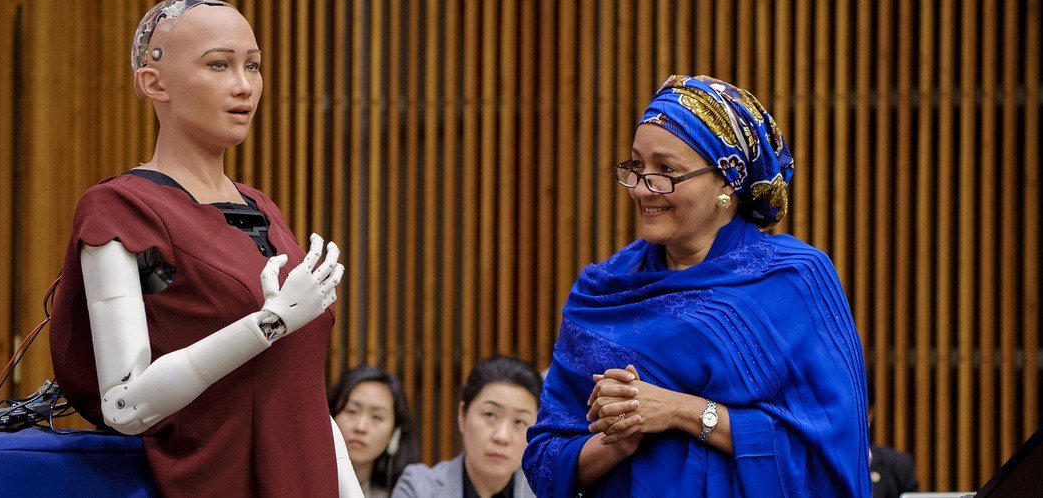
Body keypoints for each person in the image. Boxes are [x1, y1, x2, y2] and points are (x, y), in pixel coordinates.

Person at [48, 0, 361, 496]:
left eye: (253, 66)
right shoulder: (121, 211)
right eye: (219, 65)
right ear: (154, 83)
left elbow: (305, 400)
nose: (244, 86)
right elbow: (124, 404)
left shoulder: (264, 211)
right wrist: (270, 322)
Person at [522, 74, 871, 497]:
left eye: (666, 170)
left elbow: (828, 457)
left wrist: (682, 411)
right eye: (636, 166)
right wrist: (616, 440)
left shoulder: (794, 281)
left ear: (727, 181)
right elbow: (544, 457)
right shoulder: (604, 292)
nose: (641, 188)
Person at [393, 356, 541, 498]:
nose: (502, 436)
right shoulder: (419, 489)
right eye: (490, 415)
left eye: (520, 422)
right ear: (462, 416)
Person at [330, 365, 421, 497]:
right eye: (352, 411)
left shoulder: (405, 493)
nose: (360, 427)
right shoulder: (306, 485)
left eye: (376, 417)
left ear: (395, 434)